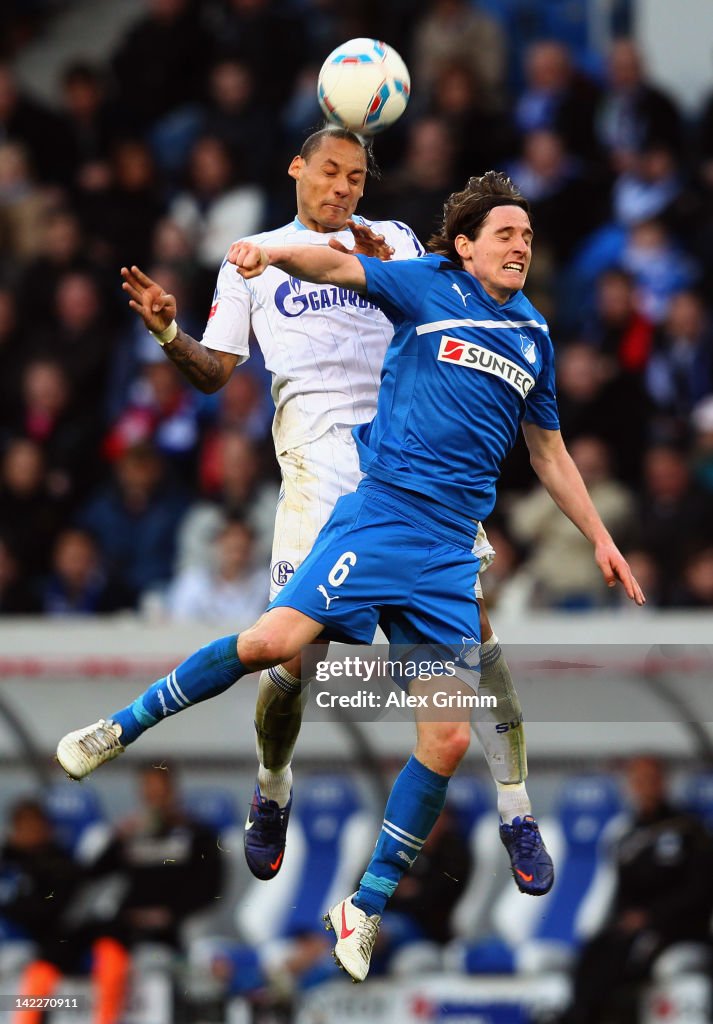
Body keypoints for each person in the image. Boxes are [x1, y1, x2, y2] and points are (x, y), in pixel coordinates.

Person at [58, 171, 644, 983]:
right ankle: (117, 729)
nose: (520, 246)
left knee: (443, 738)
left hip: (446, 553)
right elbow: (329, 267)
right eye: (505, 234)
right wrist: (261, 250)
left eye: (528, 237)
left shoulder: (535, 335)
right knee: (273, 647)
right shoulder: (424, 283)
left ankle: (362, 908)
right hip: (381, 519)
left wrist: (601, 538)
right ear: (466, 246)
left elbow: (547, 452)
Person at [73, 126, 539, 901]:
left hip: (415, 475)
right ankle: (273, 783)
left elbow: (449, 295)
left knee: (477, 643)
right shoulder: (251, 256)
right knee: (290, 662)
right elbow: (216, 373)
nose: (343, 187)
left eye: (356, 176)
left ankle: (516, 810)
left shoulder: (387, 237)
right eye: (330, 171)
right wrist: (165, 331)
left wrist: (388, 258)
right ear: (296, 167)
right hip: (318, 486)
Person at [559, 755, 713, 1024]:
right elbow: (622, 890)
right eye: (638, 781)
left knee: (622, 958)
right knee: (595, 950)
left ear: (664, 783)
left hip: (675, 926)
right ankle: (579, 1015)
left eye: (651, 780)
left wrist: (652, 915)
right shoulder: (627, 835)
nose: (646, 788)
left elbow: (700, 889)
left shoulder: (688, 830)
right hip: (634, 927)